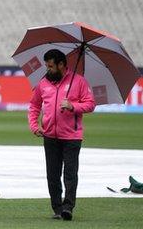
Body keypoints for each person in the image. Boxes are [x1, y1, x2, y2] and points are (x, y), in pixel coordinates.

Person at [28, 49, 95, 221]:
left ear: (61, 64)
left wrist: (73, 106)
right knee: (52, 174)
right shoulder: (43, 83)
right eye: (46, 66)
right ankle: (57, 208)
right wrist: (35, 126)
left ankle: (68, 207)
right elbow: (34, 106)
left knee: (70, 174)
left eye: (50, 66)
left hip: (72, 136)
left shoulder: (79, 81)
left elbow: (90, 104)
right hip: (50, 135)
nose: (48, 69)